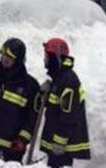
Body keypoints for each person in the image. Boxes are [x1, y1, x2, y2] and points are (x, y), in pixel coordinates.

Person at [39, 38, 91, 167]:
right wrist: (44, 93)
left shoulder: (68, 81)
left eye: (47, 56)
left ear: (55, 57)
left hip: (63, 145)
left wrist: (60, 141)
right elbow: (53, 107)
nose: (44, 60)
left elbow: (69, 115)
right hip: (58, 141)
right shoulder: (58, 79)